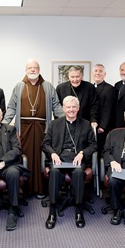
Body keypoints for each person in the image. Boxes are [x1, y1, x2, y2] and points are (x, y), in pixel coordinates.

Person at [2, 58, 64, 198]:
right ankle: (26, 189)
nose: (32, 70)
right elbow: (11, 107)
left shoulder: (48, 86)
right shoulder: (19, 86)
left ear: (39, 70)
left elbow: (56, 106)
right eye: (30, 68)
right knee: (25, 157)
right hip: (23, 128)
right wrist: (4, 124)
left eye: (35, 67)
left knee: (42, 156)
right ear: (25, 70)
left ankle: (41, 189)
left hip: (43, 127)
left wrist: (66, 119)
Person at [42, 96, 97, 229]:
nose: (71, 110)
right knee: (54, 172)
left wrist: (82, 153)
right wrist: (53, 153)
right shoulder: (55, 124)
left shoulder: (85, 124)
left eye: (74, 107)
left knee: (78, 172)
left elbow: (93, 145)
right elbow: (45, 143)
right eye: (68, 107)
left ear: (78, 108)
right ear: (63, 108)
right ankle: (52, 211)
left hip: (77, 159)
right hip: (59, 158)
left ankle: (79, 210)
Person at [92, 63, 115, 164]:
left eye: (100, 71)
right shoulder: (90, 87)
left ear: (105, 74)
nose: (98, 73)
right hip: (91, 125)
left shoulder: (110, 89)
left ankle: (101, 178)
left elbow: (108, 109)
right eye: (96, 71)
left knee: (101, 151)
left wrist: (102, 126)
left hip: (102, 128)